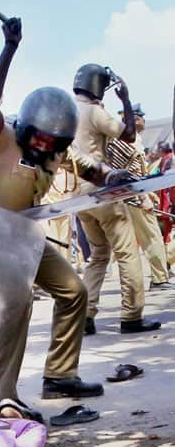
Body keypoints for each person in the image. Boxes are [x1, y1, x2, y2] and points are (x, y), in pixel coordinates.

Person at [0, 16, 114, 408]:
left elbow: (89, 166)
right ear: (25, 128)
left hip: (22, 239)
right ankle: (4, 396)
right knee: (19, 301)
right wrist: (9, 48)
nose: (43, 147)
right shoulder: (1, 140)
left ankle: (60, 376)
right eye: (37, 139)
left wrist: (112, 174)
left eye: (52, 143)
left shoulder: (55, 150)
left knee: (74, 292)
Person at [73, 64, 161, 335]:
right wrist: (124, 98)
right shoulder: (94, 111)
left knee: (98, 255)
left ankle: (85, 316)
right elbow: (129, 134)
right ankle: (131, 315)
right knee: (126, 252)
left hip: (78, 196)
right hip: (102, 189)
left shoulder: (68, 110)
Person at [107, 104, 172, 290]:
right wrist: (144, 195)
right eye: (142, 118)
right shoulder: (129, 140)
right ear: (135, 120)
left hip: (130, 196)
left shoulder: (125, 139)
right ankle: (160, 278)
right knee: (152, 237)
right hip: (135, 197)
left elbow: (134, 171)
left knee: (128, 242)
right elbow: (128, 172)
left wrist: (149, 192)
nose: (144, 121)